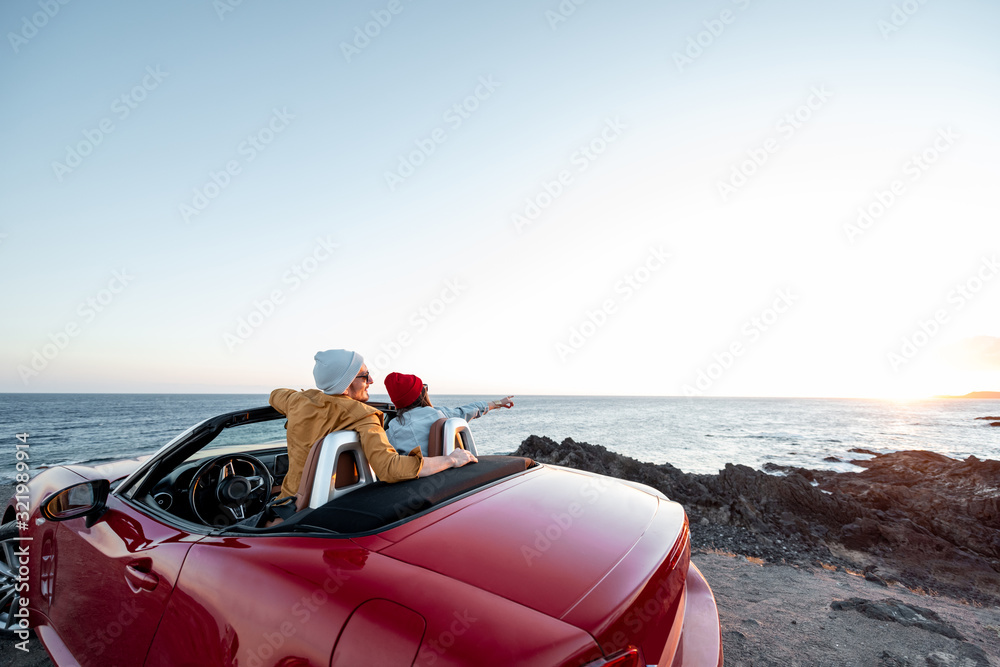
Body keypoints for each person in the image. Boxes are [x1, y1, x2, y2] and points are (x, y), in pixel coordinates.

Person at [270, 349, 477, 499]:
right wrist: (450, 460)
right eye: (365, 376)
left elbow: (275, 395)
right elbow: (389, 468)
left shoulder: (297, 402)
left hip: (286, 505)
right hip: (328, 511)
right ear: (345, 386)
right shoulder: (364, 416)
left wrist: (310, 395)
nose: (371, 381)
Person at [384, 371, 513, 456]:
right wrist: (498, 403)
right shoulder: (440, 413)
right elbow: (471, 410)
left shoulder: (393, 429)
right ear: (421, 395)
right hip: (449, 475)